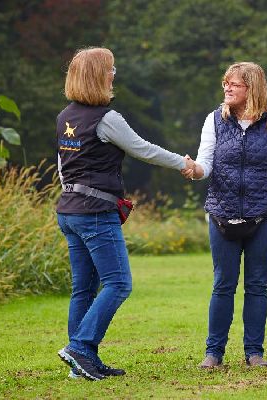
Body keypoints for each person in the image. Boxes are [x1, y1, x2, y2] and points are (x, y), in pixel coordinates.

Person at [55, 47, 194, 380]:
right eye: (111, 70)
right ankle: (80, 348)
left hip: (69, 211)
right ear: (97, 76)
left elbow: (62, 168)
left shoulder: (65, 117)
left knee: (83, 289)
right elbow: (143, 150)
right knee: (118, 283)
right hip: (95, 212)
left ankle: (82, 364)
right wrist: (184, 163)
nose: (113, 76)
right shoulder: (106, 119)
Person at [182, 62, 267, 368]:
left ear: (252, 88)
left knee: (256, 284)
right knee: (223, 284)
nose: (227, 88)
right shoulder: (214, 120)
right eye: (225, 83)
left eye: (235, 84)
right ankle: (213, 353)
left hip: (266, 215)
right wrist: (193, 169)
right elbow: (205, 164)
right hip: (222, 214)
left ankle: (254, 353)